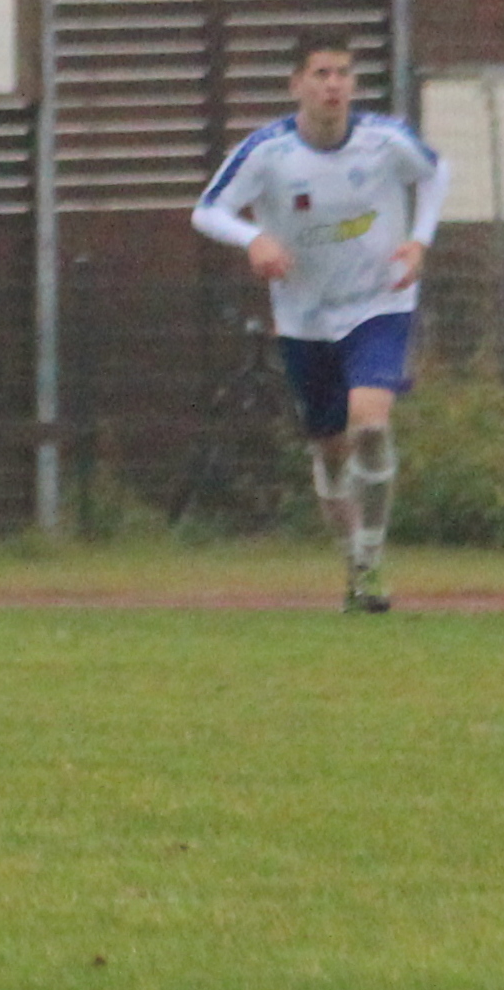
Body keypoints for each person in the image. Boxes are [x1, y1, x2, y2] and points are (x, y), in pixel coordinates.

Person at [190, 32, 449, 612]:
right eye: (321, 74)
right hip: (304, 317)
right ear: (297, 85)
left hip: (380, 303)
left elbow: (434, 172)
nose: (334, 85)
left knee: (371, 425)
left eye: (343, 74)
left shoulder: (385, 140)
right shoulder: (269, 151)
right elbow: (207, 210)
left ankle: (372, 560)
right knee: (331, 449)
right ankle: (352, 565)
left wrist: (419, 240)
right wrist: (253, 238)